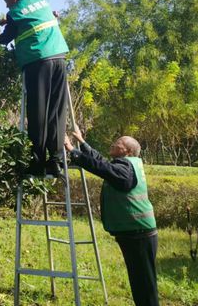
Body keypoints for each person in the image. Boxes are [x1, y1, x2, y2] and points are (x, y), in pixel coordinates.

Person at [64, 130, 159, 306]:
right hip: (135, 233)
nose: (114, 144)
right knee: (139, 281)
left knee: (144, 284)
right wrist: (82, 143)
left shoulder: (125, 169)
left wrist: (72, 151)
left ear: (127, 152)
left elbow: (102, 168)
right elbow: (102, 162)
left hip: (139, 234)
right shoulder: (127, 165)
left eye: (119, 143)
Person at [0, 0, 69, 178]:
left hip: (37, 61)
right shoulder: (41, 1)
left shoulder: (15, 11)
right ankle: (56, 160)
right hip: (59, 58)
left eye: (6, 2)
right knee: (57, 110)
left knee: (38, 112)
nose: (7, 6)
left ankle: (37, 164)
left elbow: (5, 39)